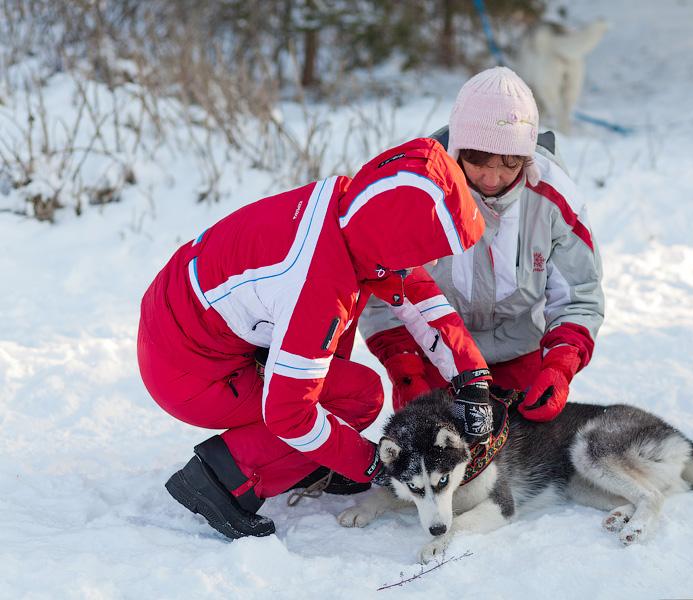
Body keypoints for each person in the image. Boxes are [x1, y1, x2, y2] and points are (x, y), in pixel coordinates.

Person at [137, 137, 495, 540]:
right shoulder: (315, 287)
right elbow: (290, 413)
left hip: (185, 324)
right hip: (189, 368)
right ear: (394, 241)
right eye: (424, 251)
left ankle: (307, 462)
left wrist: (472, 379)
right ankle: (224, 478)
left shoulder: (349, 210)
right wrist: (371, 465)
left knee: (348, 394)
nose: (428, 262)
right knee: (357, 397)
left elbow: (414, 290)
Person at [361, 66, 604, 422]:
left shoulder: (555, 199)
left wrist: (560, 365)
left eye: (509, 163)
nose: (492, 178)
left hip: (520, 349)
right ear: (459, 149)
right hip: (436, 354)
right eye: (478, 161)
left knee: (523, 446)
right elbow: (379, 287)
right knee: (433, 442)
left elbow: (580, 294)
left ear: (527, 154)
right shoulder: (416, 194)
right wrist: (403, 364)